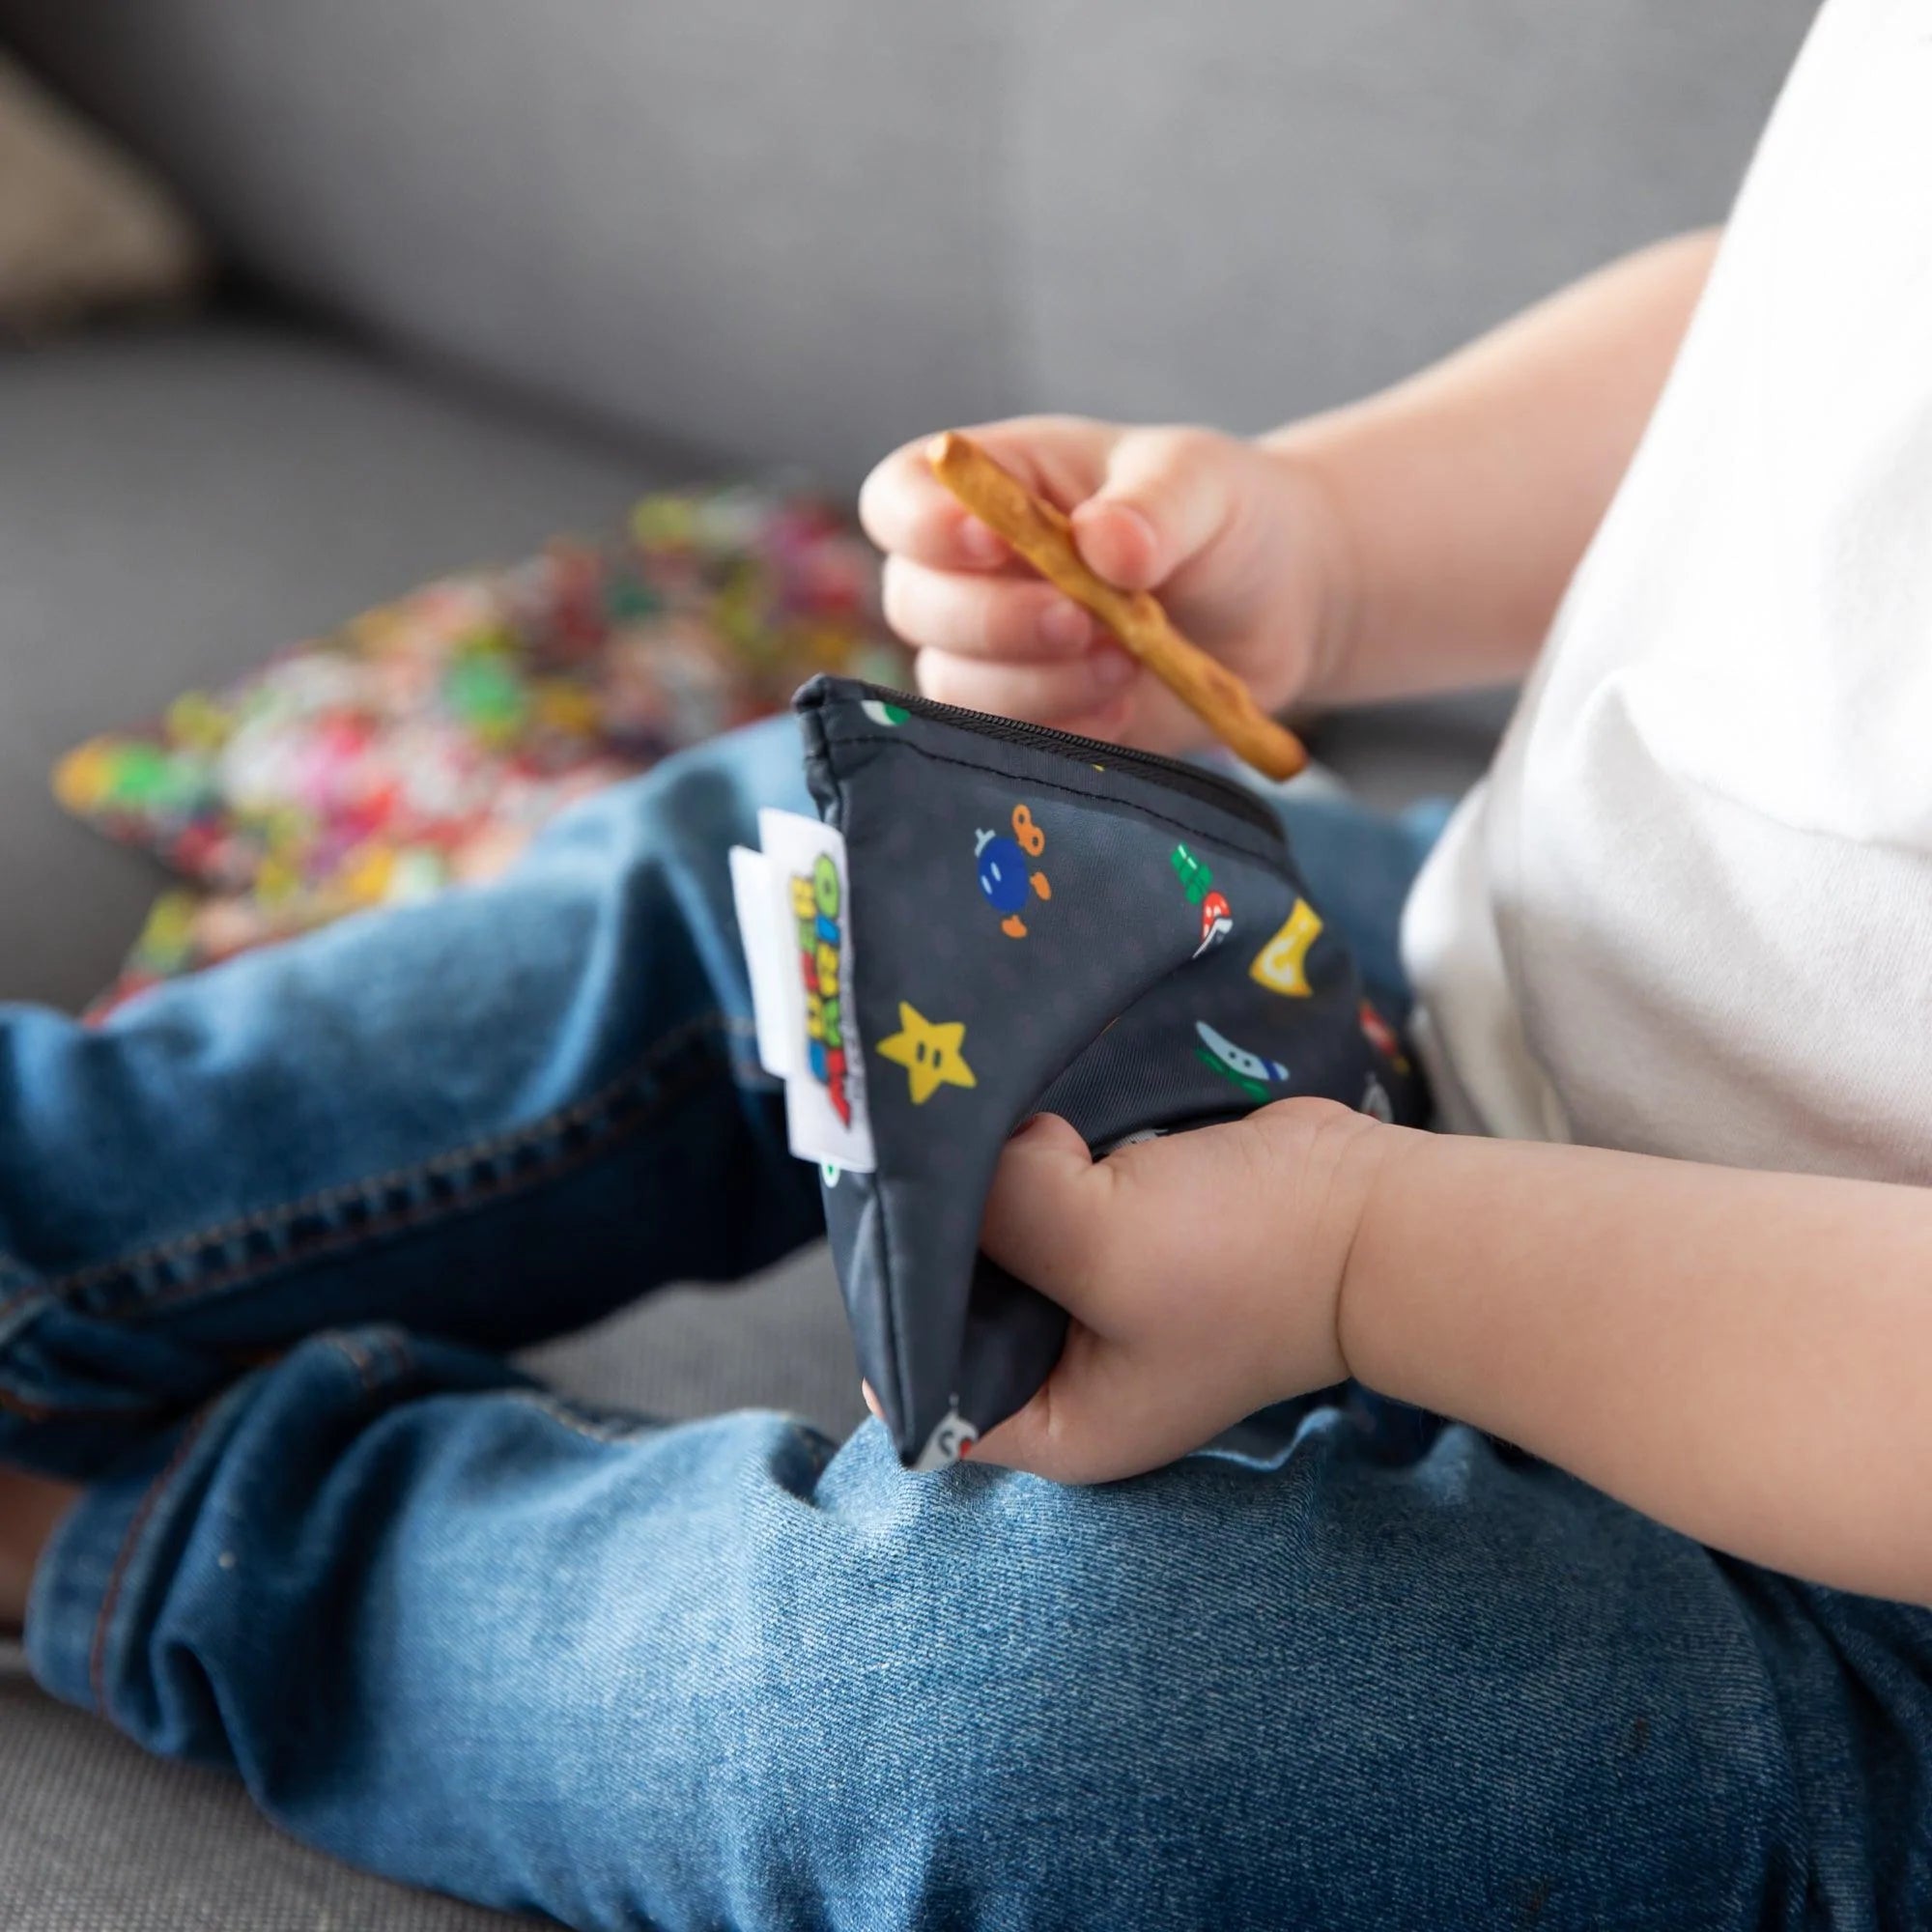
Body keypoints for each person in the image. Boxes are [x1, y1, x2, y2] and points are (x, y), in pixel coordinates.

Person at [5, 0, 1930, 1920]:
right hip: (1494, 966)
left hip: (1852, 1617)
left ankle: (155, 1536)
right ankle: (49, 1215)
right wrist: (1334, 544)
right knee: (800, 862)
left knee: (995, 1711)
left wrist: (1371, 1257)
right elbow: (1801, 323)